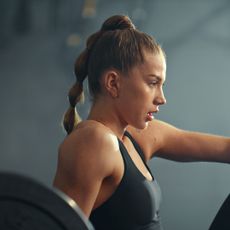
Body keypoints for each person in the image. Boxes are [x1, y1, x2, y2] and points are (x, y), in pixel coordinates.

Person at [53, 15, 230, 230]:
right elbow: (58, 225)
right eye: (153, 82)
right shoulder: (94, 141)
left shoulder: (137, 136)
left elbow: (225, 148)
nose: (161, 98)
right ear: (113, 82)